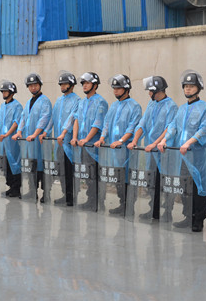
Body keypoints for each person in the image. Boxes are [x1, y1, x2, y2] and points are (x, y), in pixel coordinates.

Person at [157, 71, 206, 233]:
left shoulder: (205, 108)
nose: (188, 89)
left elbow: (205, 128)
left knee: (197, 187)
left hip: (197, 156)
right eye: (186, 86)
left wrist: (189, 142)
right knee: (184, 187)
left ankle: (199, 219)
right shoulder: (181, 109)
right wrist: (164, 140)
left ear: (198, 88)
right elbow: (173, 126)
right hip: (182, 156)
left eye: (192, 86)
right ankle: (188, 216)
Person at [128, 76, 179, 219]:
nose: (149, 94)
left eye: (151, 91)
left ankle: (167, 211)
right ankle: (153, 210)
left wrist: (155, 143)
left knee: (166, 181)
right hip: (150, 150)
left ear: (159, 90)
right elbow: (142, 124)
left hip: (164, 151)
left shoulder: (171, 106)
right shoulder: (151, 104)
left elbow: (169, 128)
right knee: (151, 181)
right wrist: (135, 140)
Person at [94, 74, 142, 214]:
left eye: (118, 88)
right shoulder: (114, 105)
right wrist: (102, 138)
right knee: (117, 177)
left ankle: (129, 205)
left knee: (128, 177)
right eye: (114, 88)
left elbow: (132, 127)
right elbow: (106, 123)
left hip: (126, 149)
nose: (115, 91)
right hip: (114, 149)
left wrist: (121, 140)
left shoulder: (134, 106)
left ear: (126, 89)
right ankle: (122, 203)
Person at [68, 72, 108, 208]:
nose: (84, 85)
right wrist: (75, 137)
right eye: (83, 83)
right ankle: (90, 199)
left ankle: (97, 202)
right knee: (87, 174)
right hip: (83, 145)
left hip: (93, 146)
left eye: (87, 83)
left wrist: (86, 139)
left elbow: (98, 123)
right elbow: (76, 120)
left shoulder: (101, 102)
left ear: (95, 85)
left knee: (95, 174)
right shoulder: (82, 102)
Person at [11, 73, 52, 201]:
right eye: (30, 86)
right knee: (31, 166)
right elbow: (23, 118)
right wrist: (19, 131)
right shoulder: (29, 102)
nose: (33, 88)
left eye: (35, 85)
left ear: (40, 85)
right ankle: (32, 191)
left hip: (39, 141)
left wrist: (35, 134)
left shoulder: (45, 101)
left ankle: (46, 193)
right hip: (30, 142)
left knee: (43, 167)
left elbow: (44, 119)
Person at [41, 72, 80, 206]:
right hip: (58, 142)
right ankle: (64, 194)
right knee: (61, 170)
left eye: (65, 84)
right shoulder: (59, 101)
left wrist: (64, 133)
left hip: (68, 142)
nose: (62, 86)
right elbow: (53, 118)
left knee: (69, 170)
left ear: (71, 85)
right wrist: (45, 132)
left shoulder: (77, 100)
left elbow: (72, 118)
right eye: (61, 84)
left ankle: (71, 195)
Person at [0, 80, 23, 197]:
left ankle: (16, 188)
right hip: (3, 140)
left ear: (12, 92)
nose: (4, 93)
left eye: (6, 91)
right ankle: (10, 186)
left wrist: (7, 134)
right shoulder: (3, 106)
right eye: (3, 91)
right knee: (6, 164)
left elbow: (16, 122)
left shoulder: (17, 106)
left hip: (12, 140)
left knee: (15, 163)